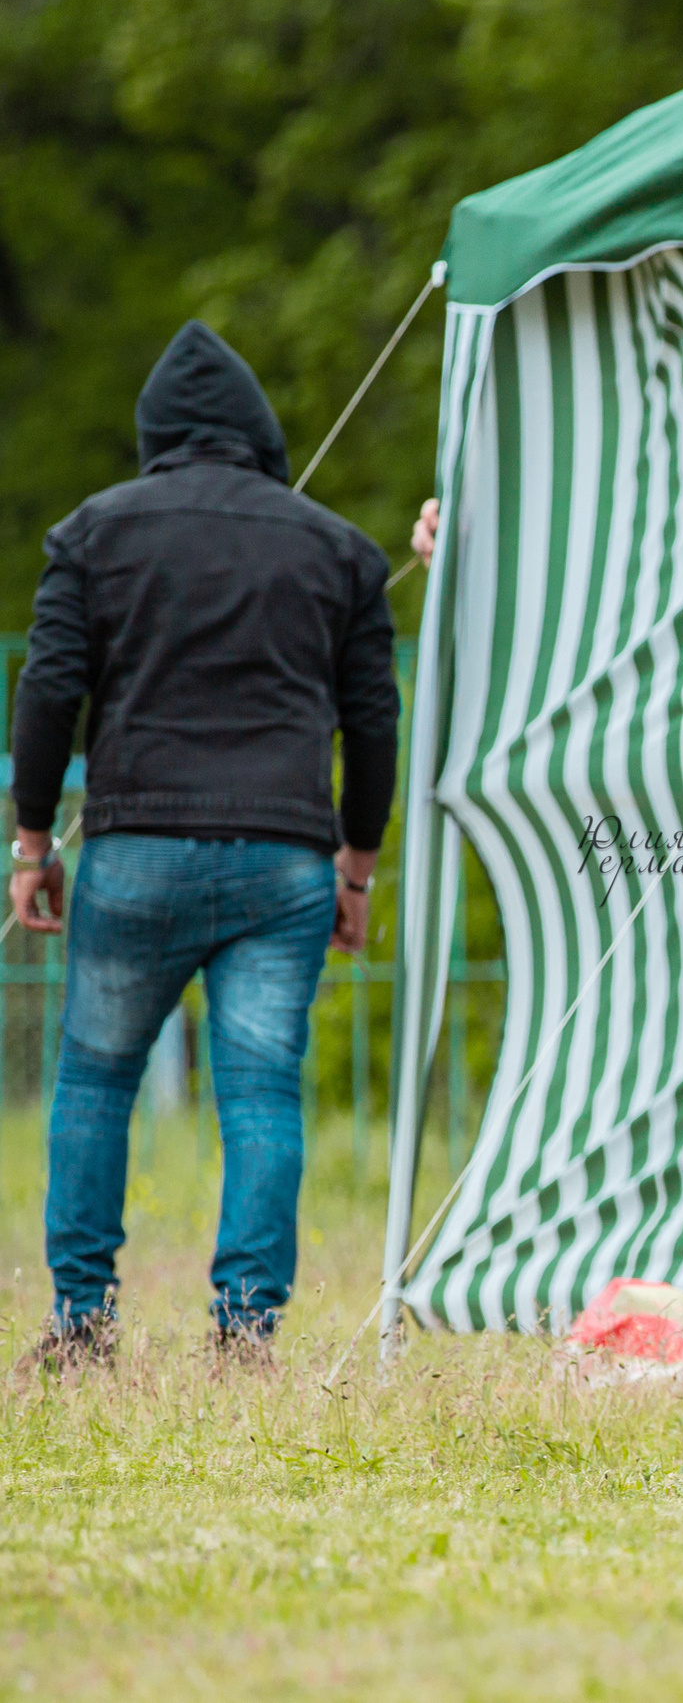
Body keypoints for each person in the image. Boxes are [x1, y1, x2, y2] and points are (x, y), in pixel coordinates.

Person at [11, 321, 401, 1370]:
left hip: (134, 852)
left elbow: (48, 690)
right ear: (261, 434)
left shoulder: (93, 534)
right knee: (262, 1094)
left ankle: (81, 1324)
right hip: (285, 861)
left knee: (96, 1083)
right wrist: (357, 868)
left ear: (154, 436)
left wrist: (32, 843)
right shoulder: (340, 550)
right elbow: (374, 723)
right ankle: (245, 1334)